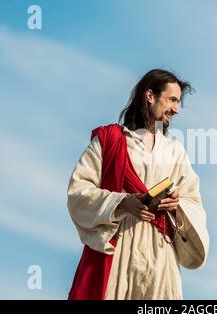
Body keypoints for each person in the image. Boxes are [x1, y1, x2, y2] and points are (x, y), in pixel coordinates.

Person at [67, 69, 209, 300]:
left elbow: (193, 200)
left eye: (178, 102)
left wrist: (176, 205)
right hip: (120, 248)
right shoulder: (109, 140)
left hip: (161, 255)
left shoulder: (175, 152)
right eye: (172, 100)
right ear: (150, 96)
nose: (176, 109)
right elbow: (79, 191)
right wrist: (122, 202)